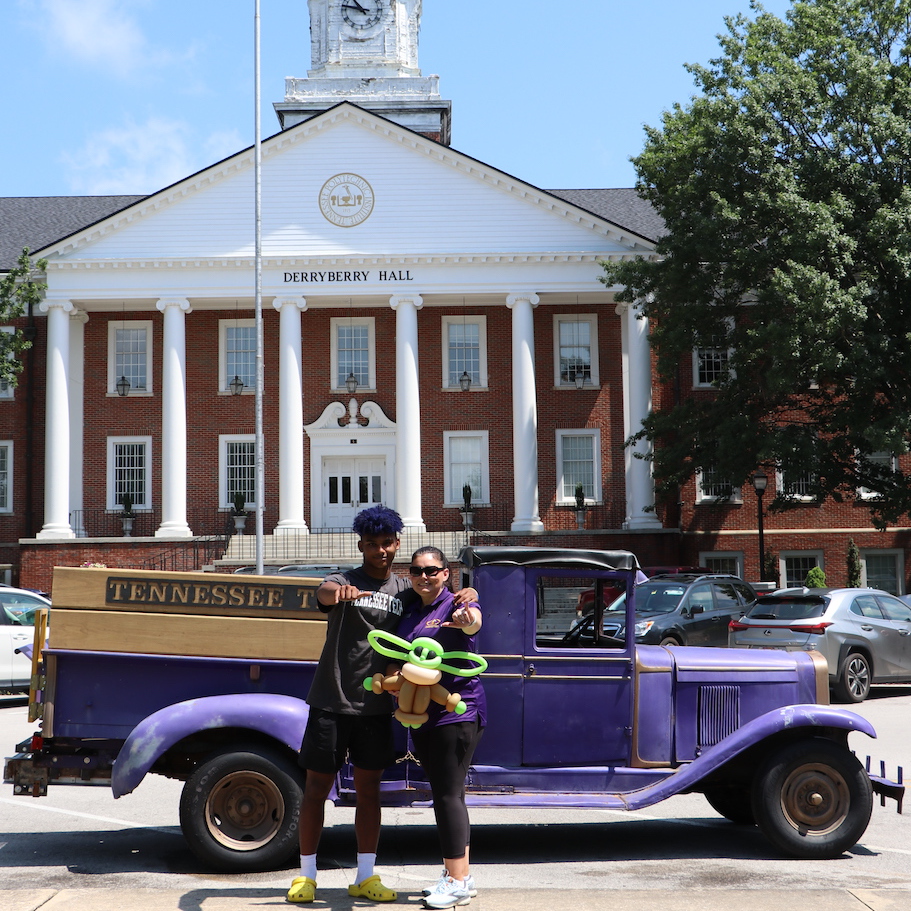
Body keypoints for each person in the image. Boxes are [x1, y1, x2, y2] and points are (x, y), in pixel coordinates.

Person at [287, 507, 476, 905]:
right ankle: (305, 877)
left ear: (397, 545)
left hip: (375, 708)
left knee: (370, 791)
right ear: (362, 546)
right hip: (331, 700)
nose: (380, 550)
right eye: (372, 544)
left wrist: (470, 592)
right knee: (316, 789)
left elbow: (440, 597)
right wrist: (334, 594)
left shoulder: (405, 592)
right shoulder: (345, 580)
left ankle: (365, 876)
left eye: (387, 543)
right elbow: (321, 592)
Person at [396, 545, 486, 910]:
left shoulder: (456, 604)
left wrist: (469, 615)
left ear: (446, 573)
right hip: (424, 715)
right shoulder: (414, 606)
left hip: (456, 713)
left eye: (432, 571)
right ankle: (460, 874)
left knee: (447, 795)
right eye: (417, 571)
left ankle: (458, 882)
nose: (424, 577)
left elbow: (473, 618)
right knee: (450, 795)